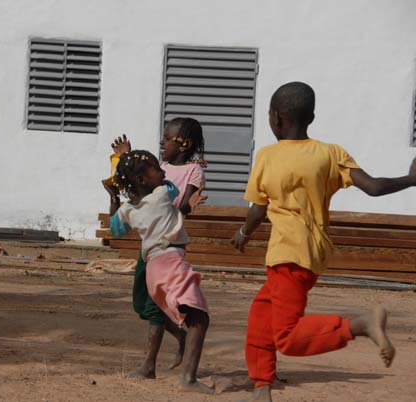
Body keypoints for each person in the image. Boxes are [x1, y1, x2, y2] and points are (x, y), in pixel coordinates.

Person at [231, 81, 415, 402]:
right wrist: (411, 179)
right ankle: (262, 384)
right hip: (313, 255)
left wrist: (244, 234)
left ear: (275, 117)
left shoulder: (267, 156)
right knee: (261, 315)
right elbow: (373, 187)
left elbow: (258, 210)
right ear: (310, 117)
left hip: (287, 253)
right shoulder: (330, 153)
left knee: (286, 336)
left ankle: (359, 325)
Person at [104, 150, 212, 393]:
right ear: (142, 180)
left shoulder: (128, 210)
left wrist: (115, 197)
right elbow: (173, 189)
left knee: (171, 313)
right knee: (199, 318)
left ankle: (156, 364)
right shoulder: (164, 193)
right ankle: (188, 378)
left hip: (152, 266)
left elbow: (115, 229)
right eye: (154, 166)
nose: (161, 168)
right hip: (170, 261)